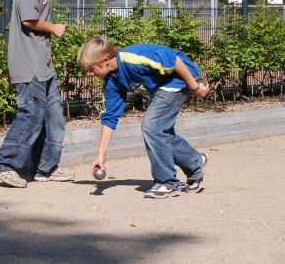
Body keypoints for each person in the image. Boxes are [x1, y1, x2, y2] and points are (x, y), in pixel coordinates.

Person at [0, 0, 76, 188]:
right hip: (29, 63)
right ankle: (1, 163)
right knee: (32, 114)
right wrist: (53, 28)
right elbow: (28, 19)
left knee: (54, 115)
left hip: (43, 63)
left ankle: (45, 167)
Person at [76, 36, 211, 199]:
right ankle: (195, 162)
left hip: (177, 79)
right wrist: (101, 156)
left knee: (151, 125)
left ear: (105, 60)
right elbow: (109, 117)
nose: (90, 74)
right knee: (160, 132)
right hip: (161, 87)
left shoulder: (132, 57)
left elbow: (174, 60)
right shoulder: (112, 81)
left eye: (91, 69)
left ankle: (167, 182)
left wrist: (195, 88)